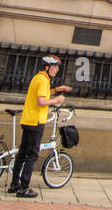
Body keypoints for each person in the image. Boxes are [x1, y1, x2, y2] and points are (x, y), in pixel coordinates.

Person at [9, 55, 70, 198]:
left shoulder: (39, 78)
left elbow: (43, 93)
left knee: (22, 153)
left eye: (58, 68)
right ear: (47, 67)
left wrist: (57, 89)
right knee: (32, 155)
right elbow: (41, 101)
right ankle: (24, 187)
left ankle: (14, 184)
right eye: (55, 67)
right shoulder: (43, 80)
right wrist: (56, 100)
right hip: (36, 121)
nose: (57, 70)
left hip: (28, 119)